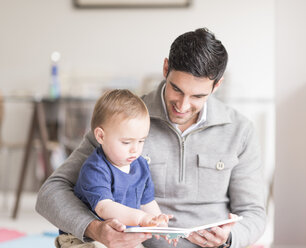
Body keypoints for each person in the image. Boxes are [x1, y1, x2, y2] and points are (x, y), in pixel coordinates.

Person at [36, 28, 266, 248]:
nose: (183, 106)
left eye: (197, 96)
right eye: (176, 89)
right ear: (165, 68)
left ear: (217, 85)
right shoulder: (124, 120)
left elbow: (254, 213)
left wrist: (229, 238)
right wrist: (94, 229)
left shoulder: (240, 130)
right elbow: (50, 193)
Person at [55, 89, 174, 248]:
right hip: (82, 238)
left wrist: (160, 224)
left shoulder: (141, 166)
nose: (135, 149)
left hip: (122, 237)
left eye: (141, 141)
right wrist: (141, 219)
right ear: (101, 136)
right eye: (126, 142)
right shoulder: (96, 169)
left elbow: (147, 202)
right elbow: (105, 208)